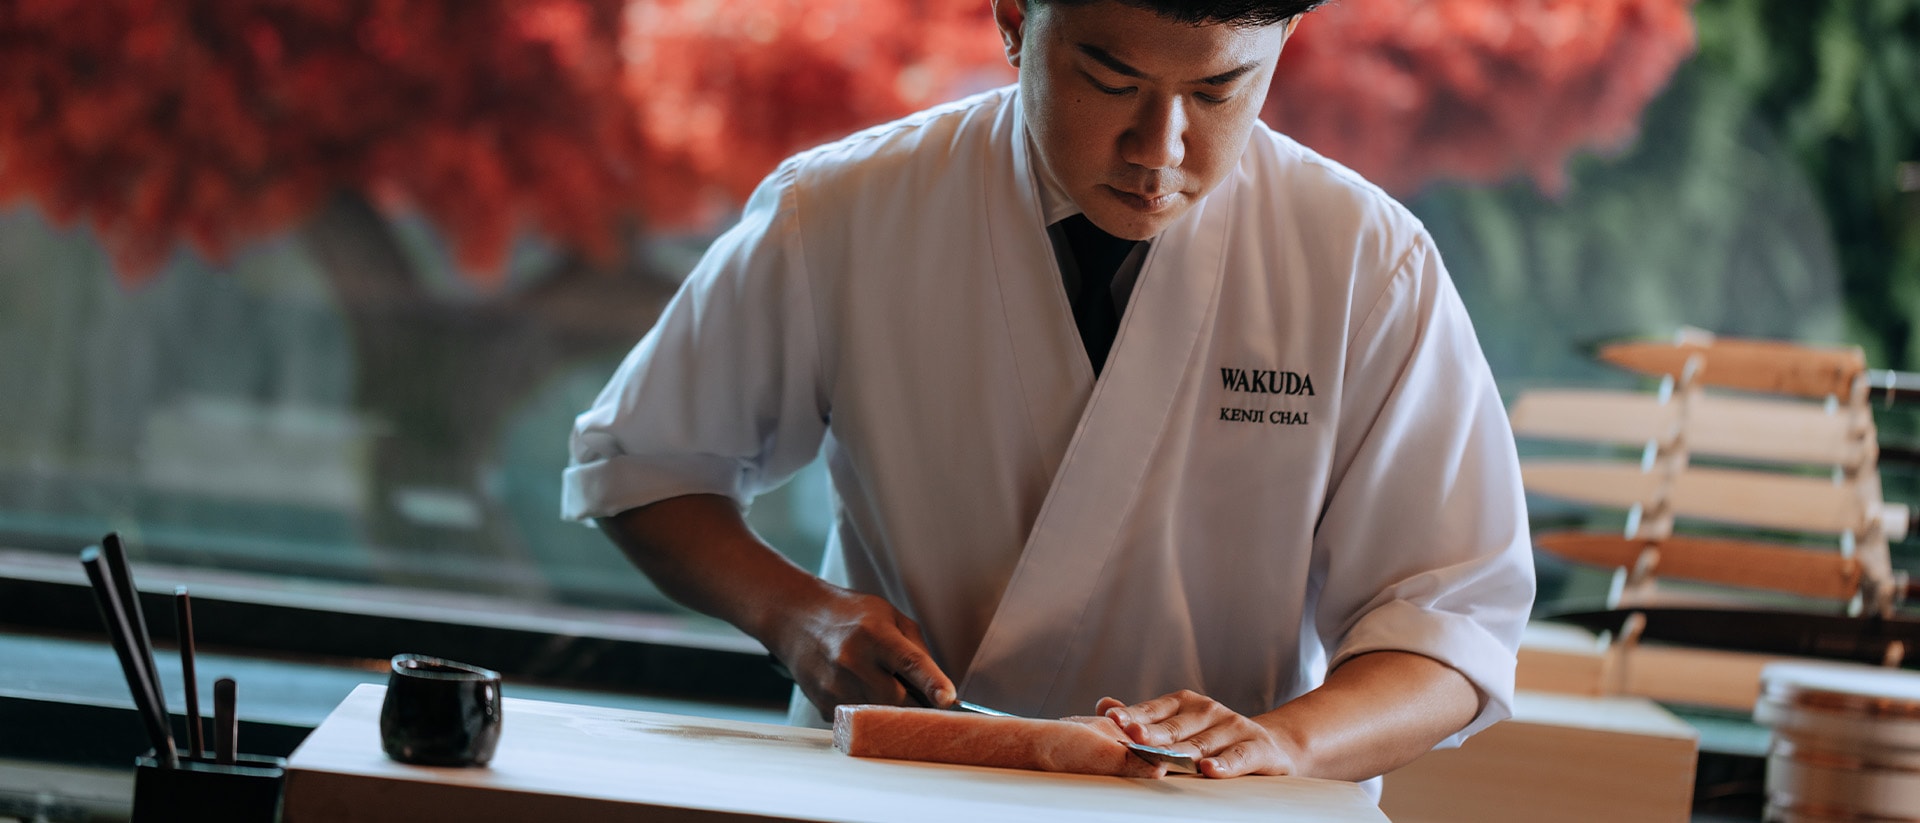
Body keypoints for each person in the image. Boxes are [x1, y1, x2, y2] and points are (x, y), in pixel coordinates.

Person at [564, 0, 1535, 790]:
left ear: (1283, 42)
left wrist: (1286, 743)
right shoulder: (846, 210)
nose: (1159, 150)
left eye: (1216, 90)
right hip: (899, 791)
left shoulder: (1368, 261)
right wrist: (797, 614)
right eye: (1110, 81)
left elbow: (1452, 626)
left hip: (1215, 814)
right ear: (1015, 21)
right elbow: (640, 465)